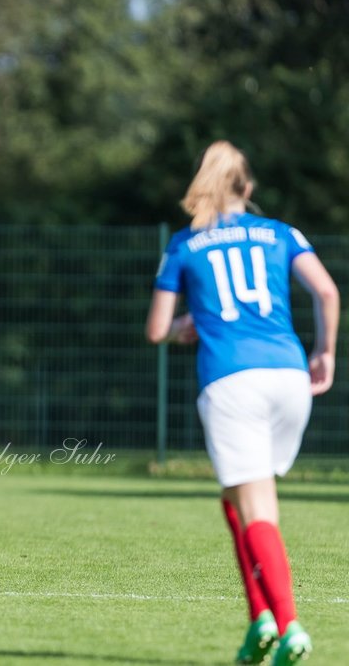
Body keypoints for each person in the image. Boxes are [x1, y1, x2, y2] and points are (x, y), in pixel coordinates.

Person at [145, 141, 337, 666]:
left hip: (233, 382)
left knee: (256, 507)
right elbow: (326, 292)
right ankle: (261, 621)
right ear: (247, 189)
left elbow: (157, 328)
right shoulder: (280, 232)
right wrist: (325, 352)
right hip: (290, 378)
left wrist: (186, 325)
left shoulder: (185, 245)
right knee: (236, 501)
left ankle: (289, 623)